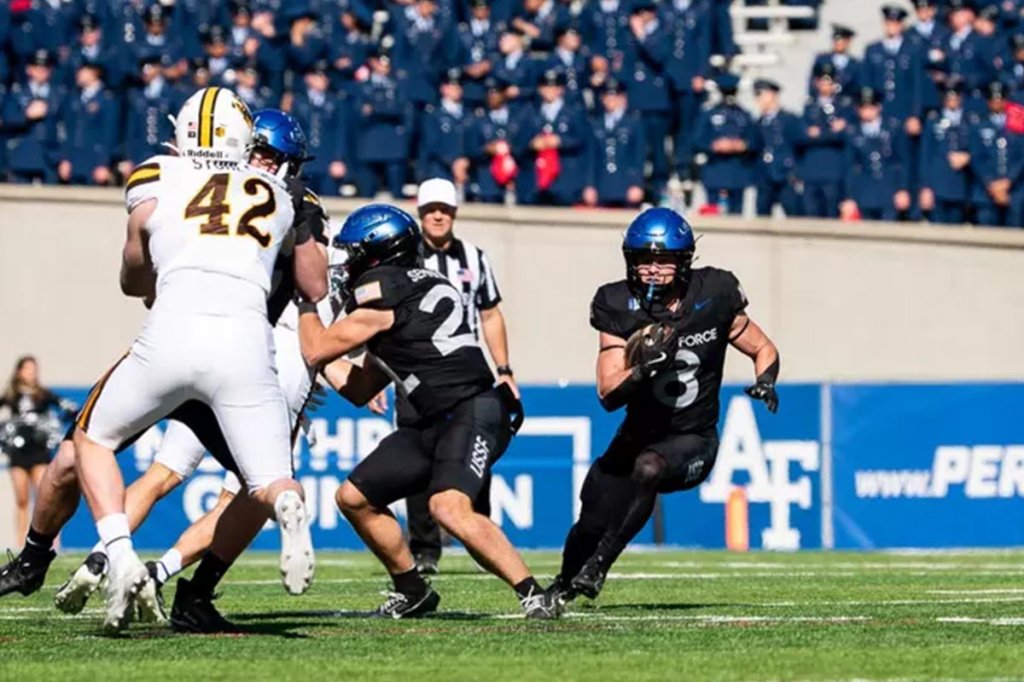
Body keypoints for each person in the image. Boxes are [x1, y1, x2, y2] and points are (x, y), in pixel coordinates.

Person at [48, 110, 337, 634]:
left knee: (109, 448)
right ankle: (201, 580)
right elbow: (315, 289)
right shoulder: (293, 199)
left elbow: (140, 264)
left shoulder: (173, 175)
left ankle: (110, 555)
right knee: (264, 483)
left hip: (174, 336)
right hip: (253, 351)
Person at [297, 204, 560, 619]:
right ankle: (412, 589)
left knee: (446, 507)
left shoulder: (383, 291)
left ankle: (535, 594)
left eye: (355, 254)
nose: (346, 266)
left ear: (380, 253)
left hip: (471, 408)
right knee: (354, 497)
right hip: (432, 418)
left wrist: (304, 305)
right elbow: (360, 386)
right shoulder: (407, 294)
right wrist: (316, 358)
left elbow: (316, 346)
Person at [548, 207, 779, 604]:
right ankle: (563, 586)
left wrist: (765, 381)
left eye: (663, 260)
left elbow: (762, 347)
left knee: (649, 467)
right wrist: (641, 371)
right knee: (591, 514)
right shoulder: (616, 303)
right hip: (636, 434)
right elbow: (607, 394)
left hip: (693, 438)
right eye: (643, 260)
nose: (652, 270)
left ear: (684, 260)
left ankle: (600, 565)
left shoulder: (715, 292)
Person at [396, 178, 517, 574]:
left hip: (466, 374)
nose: (437, 215)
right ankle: (425, 549)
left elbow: (490, 313)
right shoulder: (404, 257)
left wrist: (504, 369)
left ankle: (481, 536)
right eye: (431, 208)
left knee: (475, 453)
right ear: (419, 211)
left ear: (454, 213)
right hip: (415, 374)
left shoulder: (474, 257)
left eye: (444, 209)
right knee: (417, 456)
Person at [0, 357, 73, 544]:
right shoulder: (11, 396)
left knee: (45, 498)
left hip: (39, 452)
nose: (31, 373)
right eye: (27, 369)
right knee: (22, 499)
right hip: (17, 454)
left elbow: (70, 408)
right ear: (19, 372)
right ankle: (19, 543)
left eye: (34, 369)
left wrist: (53, 429)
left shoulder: (43, 395)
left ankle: (53, 542)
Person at [840, 88, 912, 221]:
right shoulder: (853, 132)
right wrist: (849, 197)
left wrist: (903, 189)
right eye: (863, 107)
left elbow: (903, 161)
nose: (867, 111)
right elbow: (850, 166)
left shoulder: (893, 129)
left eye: (870, 107)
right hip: (864, 193)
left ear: (878, 107)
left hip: (889, 191)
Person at [695, 73, 755, 215]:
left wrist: (742, 145)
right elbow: (697, 140)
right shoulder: (709, 114)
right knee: (713, 211)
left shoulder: (744, 114)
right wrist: (714, 145)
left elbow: (754, 140)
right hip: (715, 169)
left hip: (737, 171)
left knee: (736, 212)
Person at [583, 78, 646, 208]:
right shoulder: (596, 124)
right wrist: (589, 185)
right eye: (607, 96)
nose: (611, 100)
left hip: (626, 186)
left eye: (615, 95)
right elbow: (591, 158)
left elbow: (639, 156)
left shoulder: (633, 123)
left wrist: (637, 184)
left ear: (623, 98)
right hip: (602, 186)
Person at [919, 79, 972, 224]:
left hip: (962, 187)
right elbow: (925, 156)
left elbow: (980, 151)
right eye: (948, 96)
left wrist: (968, 156)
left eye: (955, 96)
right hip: (938, 187)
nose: (952, 100)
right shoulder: (933, 121)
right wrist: (926, 187)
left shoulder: (971, 121)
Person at [751, 79, 803, 217]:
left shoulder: (789, 119)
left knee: (795, 215)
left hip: (786, 175)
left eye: (761, 94)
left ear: (772, 95)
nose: (758, 99)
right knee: (762, 214)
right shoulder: (759, 123)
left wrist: (796, 172)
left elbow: (799, 146)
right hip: (765, 176)